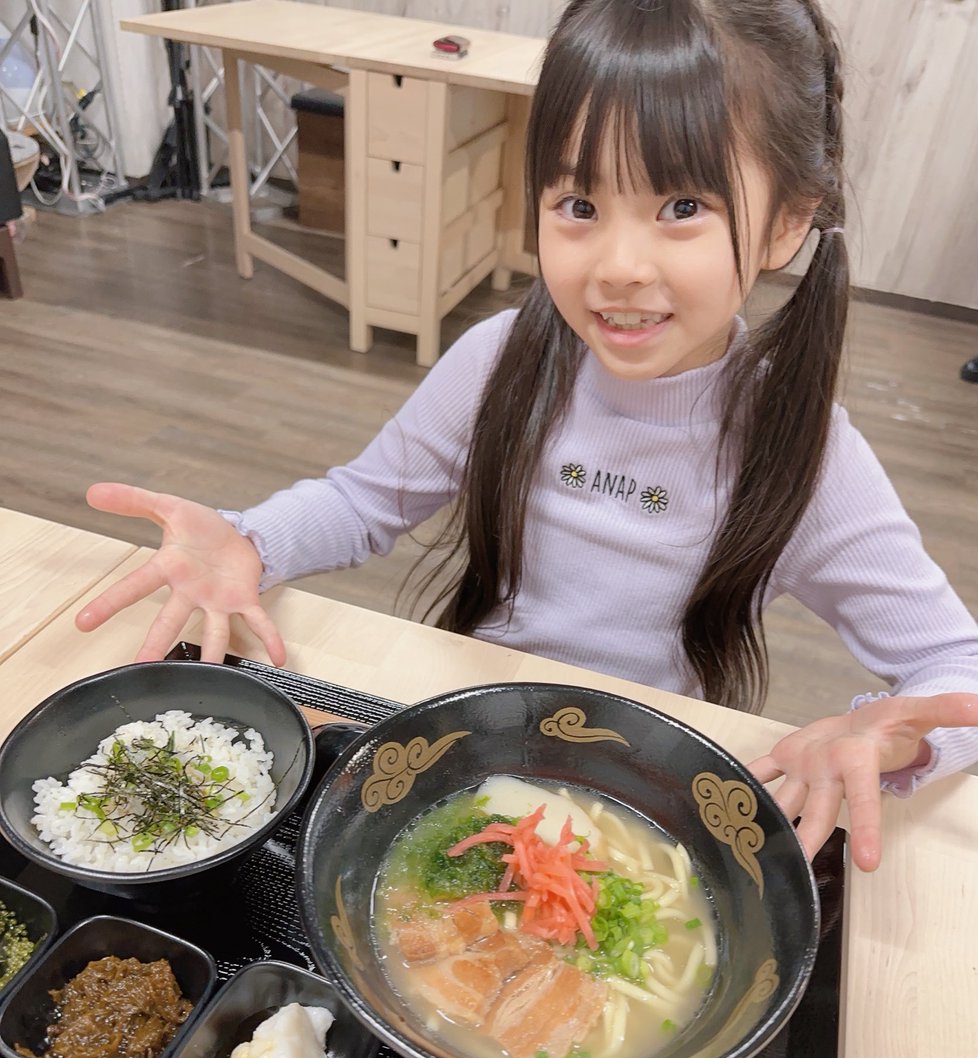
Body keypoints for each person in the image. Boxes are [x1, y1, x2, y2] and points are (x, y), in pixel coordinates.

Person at [75, 0, 978, 873]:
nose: (619, 267)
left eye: (682, 207)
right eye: (579, 204)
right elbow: (362, 501)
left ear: (787, 221)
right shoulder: (499, 359)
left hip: (636, 787)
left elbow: (957, 668)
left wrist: (887, 737)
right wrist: (251, 541)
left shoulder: (804, 451)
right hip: (466, 734)